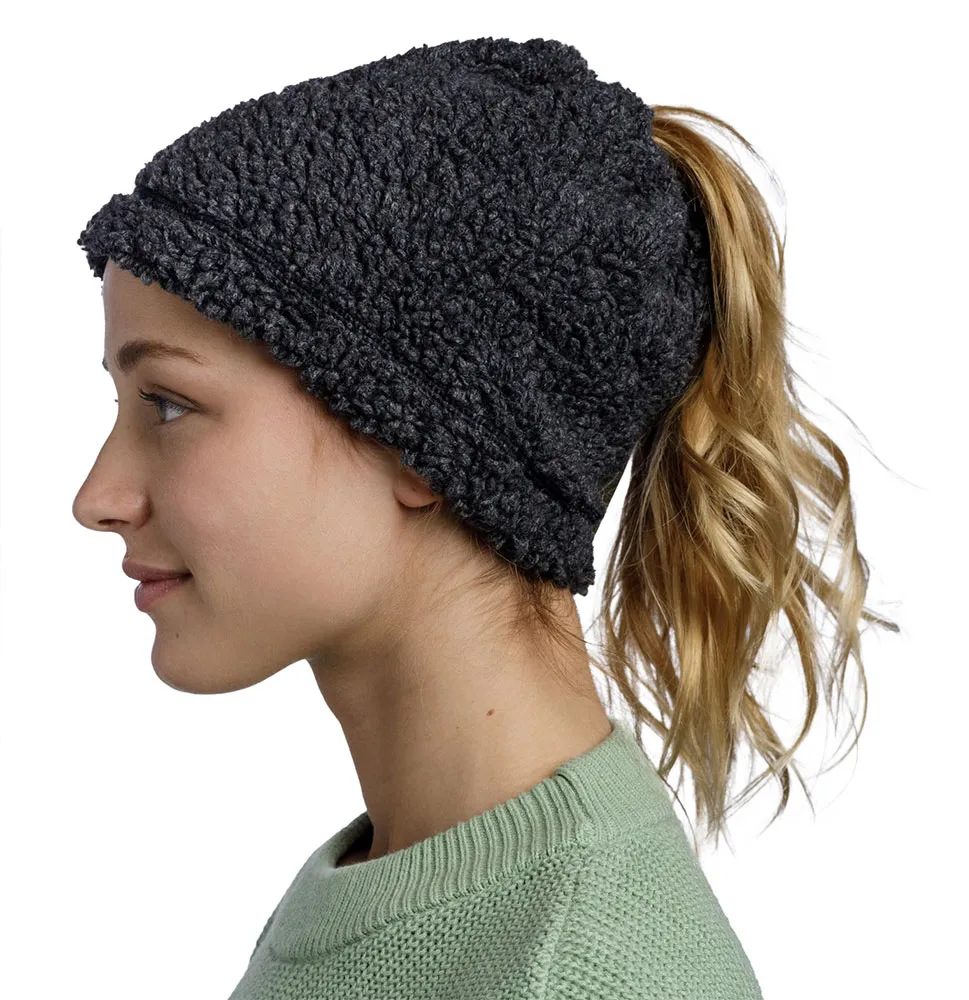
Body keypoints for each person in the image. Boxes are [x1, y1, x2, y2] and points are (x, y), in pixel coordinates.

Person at [72, 36, 898, 1000]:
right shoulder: (388, 883)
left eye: (169, 405)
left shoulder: (583, 973)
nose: (98, 497)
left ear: (416, 439)